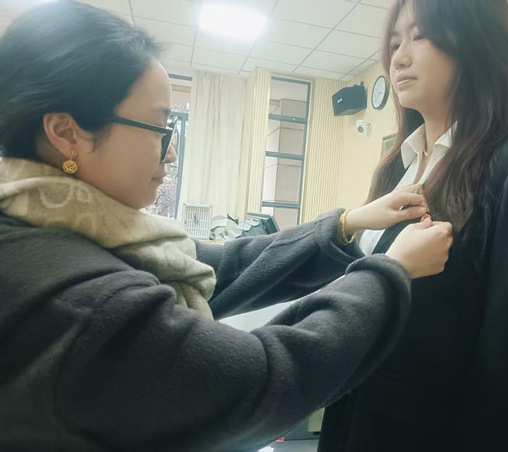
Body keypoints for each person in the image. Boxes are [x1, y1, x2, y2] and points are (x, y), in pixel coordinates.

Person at [0, 2, 455, 451]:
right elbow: (261, 378)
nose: (170, 153)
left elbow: (225, 266)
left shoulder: (53, 222)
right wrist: (389, 272)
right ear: (67, 133)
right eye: (159, 128)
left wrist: (346, 224)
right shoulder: (76, 296)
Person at [318, 1, 508, 451]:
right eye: (394, 42)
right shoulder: (394, 168)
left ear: (476, 42)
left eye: (419, 36)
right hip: (357, 416)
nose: (399, 58)